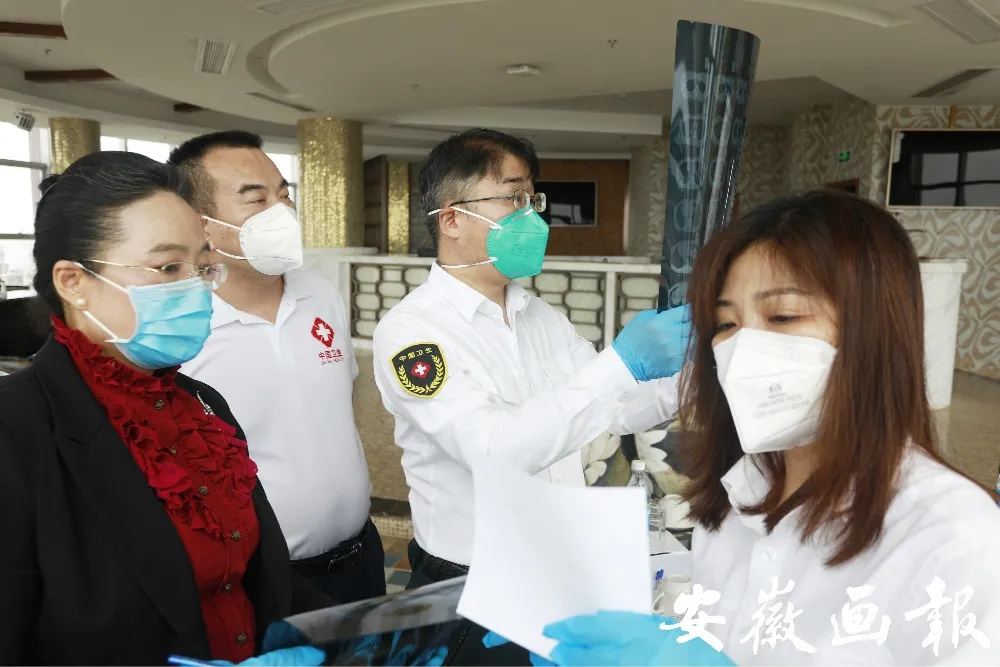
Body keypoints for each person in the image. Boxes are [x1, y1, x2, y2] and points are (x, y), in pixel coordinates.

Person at [526, 190, 1000, 665]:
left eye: (783, 316)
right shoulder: (735, 502)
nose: (744, 350)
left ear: (875, 328)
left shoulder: (954, 539)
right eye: (726, 324)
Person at [371, 129, 691, 664]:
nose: (533, 216)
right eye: (512, 197)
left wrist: (687, 372)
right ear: (451, 219)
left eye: (532, 198)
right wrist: (620, 363)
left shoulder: (539, 316)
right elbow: (496, 451)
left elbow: (618, 409)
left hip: (556, 568)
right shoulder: (412, 334)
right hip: (471, 586)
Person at [0, 151, 327, 665]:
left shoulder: (202, 407)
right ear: (73, 282)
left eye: (202, 266)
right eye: (167, 267)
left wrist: (345, 637)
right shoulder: (16, 427)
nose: (195, 287)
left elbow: (254, 575)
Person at [168, 131, 386, 604]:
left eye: (284, 195)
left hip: (360, 557)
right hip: (256, 578)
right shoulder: (180, 325)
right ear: (200, 224)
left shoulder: (321, 293)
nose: (281, 211)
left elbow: (338, 406)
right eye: (256, 199)